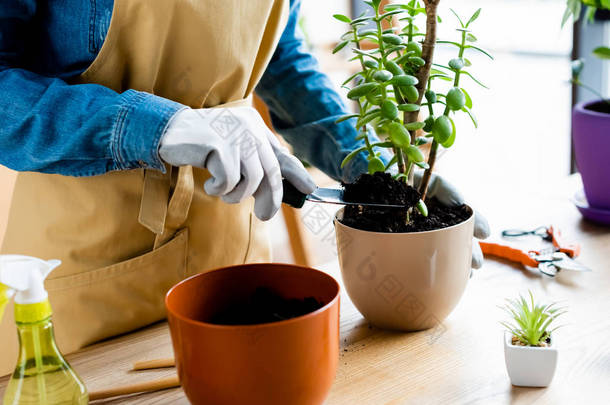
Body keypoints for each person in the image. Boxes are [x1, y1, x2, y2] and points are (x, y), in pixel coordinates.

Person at [0, 0, 489, 373]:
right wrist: (157, 126)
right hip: (87, 270)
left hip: (231, 245)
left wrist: (379, 174)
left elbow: (284, 60)